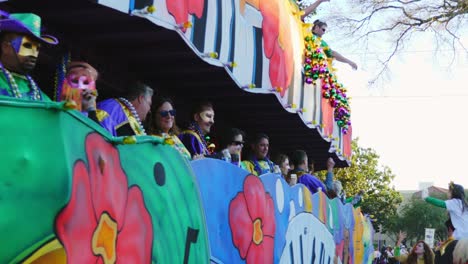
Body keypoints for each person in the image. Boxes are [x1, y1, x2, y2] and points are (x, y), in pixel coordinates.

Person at [0, 11, 58, 101]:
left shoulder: (34, 89)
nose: (34, 54)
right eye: (27, 46)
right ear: (5, 47)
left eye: (37, 49)